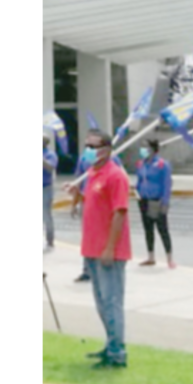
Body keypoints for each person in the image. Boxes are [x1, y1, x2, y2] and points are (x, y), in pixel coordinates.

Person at [67, 129, 133, 369]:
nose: (88, 150)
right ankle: (110, 344)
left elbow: (119, 213)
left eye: (93, 146)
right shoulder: (93, 173)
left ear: (106, 149)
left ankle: (117, 353)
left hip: (109, 252)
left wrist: (109, 248)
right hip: (92, 249)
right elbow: (95, 203)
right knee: (101, 302)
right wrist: (78, 195)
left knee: (112, 301)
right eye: (87, 145)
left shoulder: (116, 176)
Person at [72, 149, 123, 282]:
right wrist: (74, 203)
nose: (90, 149)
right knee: (88, 235)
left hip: (103, 204)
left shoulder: (113, 161)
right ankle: (87, 268)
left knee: (103, 234)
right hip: (87, 200)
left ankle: (103, 263)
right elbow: (78, 180)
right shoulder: (84, 158)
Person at [136, 139, 176, 269]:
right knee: (148, 229)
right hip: (144, 200)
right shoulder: (141, 164)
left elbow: (167, 184)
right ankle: (150, 256)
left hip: (157, 200)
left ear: (153, 149)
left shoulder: (162, 164)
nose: (143, 150)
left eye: (145, 147)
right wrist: (137, 190)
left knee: (162, 229)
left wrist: (165, 202)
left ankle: (169, 257)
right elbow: (140, 179)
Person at [41, 134, 58, 252]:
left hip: (45, 187)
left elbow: (51, 167)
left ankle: (50, 239)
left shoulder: (50, 155)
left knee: (46, 214)